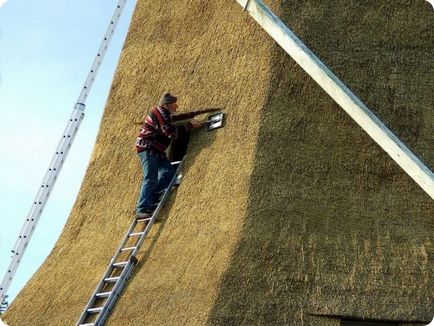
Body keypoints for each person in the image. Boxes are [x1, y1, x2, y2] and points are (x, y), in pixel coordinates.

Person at [135, 92, 202, 219]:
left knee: (168, 173)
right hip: (148, 148)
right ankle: (141, 209)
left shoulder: (165, 114)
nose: (177, 106)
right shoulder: (159, 113)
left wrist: (192, 115)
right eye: (174, 103)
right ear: (167, 105)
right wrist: (189, 125)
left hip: (158, 151)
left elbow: (176, 118)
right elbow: (170, 133)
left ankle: (152, 198)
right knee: (150, 178)